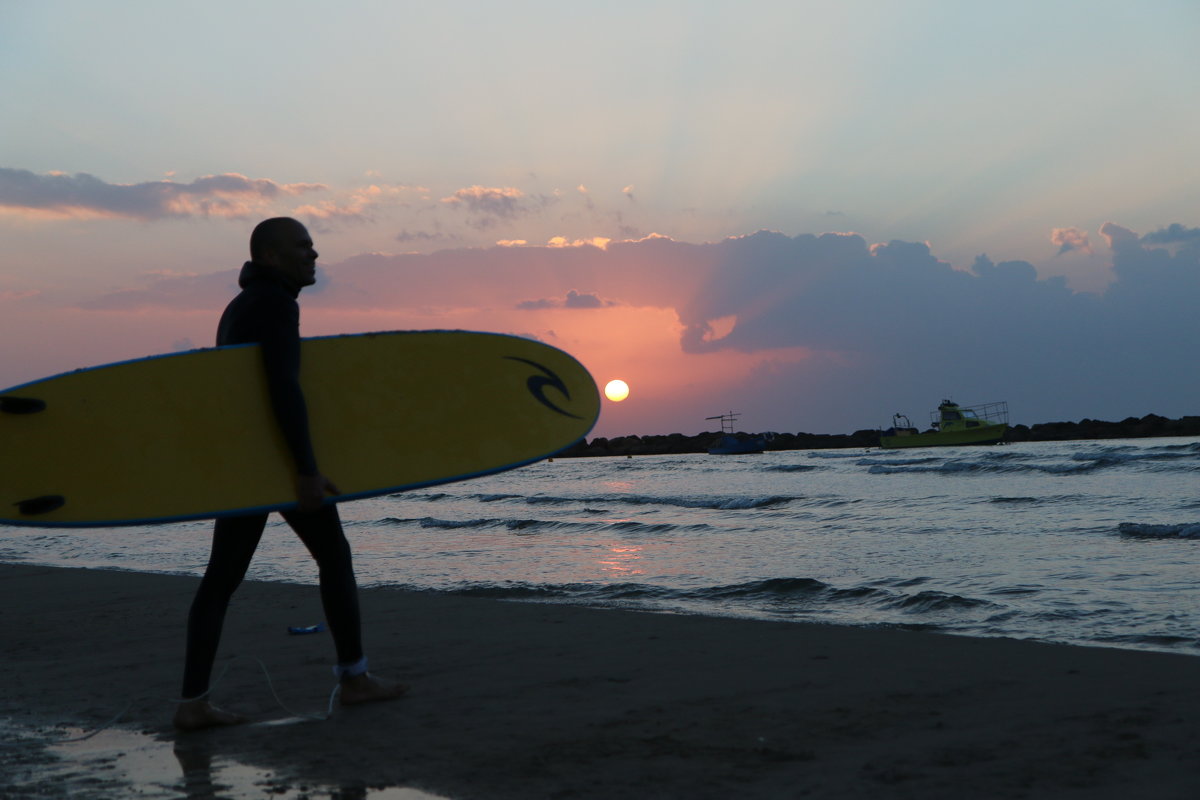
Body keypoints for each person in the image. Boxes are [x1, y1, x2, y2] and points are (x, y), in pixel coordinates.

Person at [174, 217, 406, 731]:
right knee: (334, 556)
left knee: (221, 580)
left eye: (314, 245)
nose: (314, 254)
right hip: (276, 461)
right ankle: (355, 680)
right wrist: (305, 469)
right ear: (271, 256)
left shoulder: (242, 305)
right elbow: (282, 387)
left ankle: (193, 702)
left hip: (249, 462)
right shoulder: (274, 304)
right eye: (303, 247)